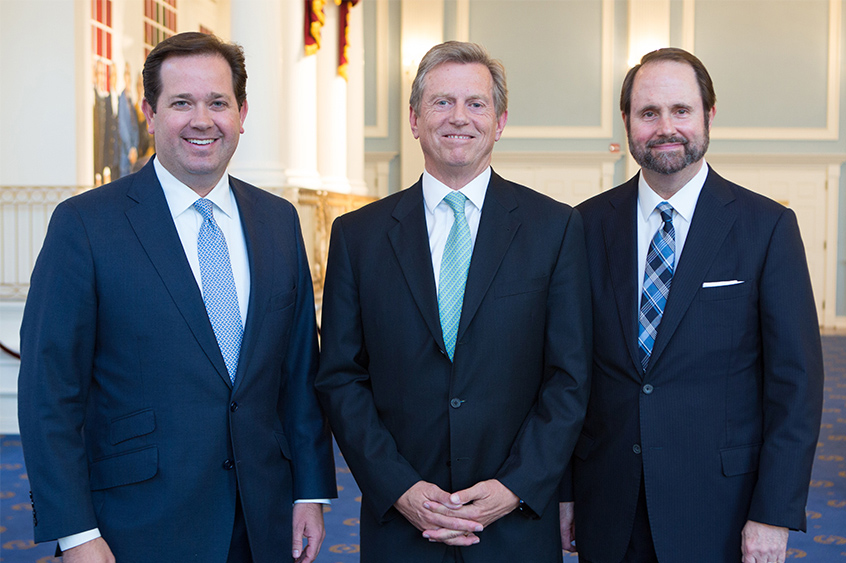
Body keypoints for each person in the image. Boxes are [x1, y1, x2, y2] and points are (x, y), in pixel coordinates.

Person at [18, 32, 336, 563]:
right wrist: (74, 532)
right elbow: (49, 392)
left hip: (263, 520)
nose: (202, 120)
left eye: (218, 102)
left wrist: (310, 490)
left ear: (242, 112)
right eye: (181, 103)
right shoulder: (85, 225)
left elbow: (299, 375)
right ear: (149, 113)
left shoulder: (279, 222)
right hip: (136, 526)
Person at [315, 41, 591, 563]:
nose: (458, 118)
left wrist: (515, 487)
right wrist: (399, 488)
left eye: (476, 103)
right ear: (415, 119)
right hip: (402, 525)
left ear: (501, 120)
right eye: (441, 103)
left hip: (515, 524)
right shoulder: (359, 236)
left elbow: (569, 377)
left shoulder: (554, 229)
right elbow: (341, 377)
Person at [562, 47, 824, 563]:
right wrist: (564, 492)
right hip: (608, 505)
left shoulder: (766, 228)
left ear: (708, 115)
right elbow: (566, 373)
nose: (666, 127)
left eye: (681, 110)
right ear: (627, 122)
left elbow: (796, 384)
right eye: (648, 112)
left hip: (721, 508)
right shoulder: (582, 227)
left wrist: (773, 511)